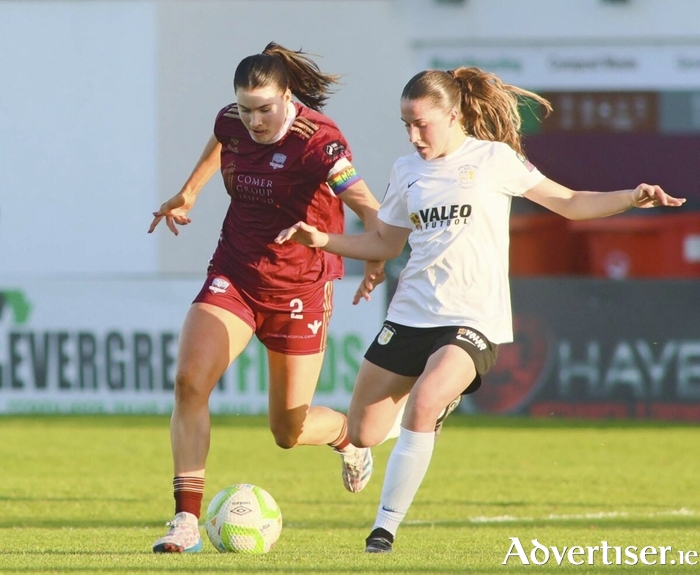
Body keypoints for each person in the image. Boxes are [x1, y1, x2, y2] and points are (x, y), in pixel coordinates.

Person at [275, 66, 686, 553]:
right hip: (410, 314)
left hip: (473, 319)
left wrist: (631, 197)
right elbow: (385, 242)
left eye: (421, 123)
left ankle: (382, 530)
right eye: (404, 124)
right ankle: (406, 419)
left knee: (426, 401)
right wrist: (322, 239)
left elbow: (570, 203)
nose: (412, 135)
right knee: (364, 431)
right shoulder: (406, 170)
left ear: (453, 115)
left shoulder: (494, 159)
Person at [147, 41, 387, 553]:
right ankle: (185, 523)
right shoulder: (232, 121)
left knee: (287, 429)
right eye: (244, 108)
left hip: (300, 289)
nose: (252, 121)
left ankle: (346, 437)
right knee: (190, 382)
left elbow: (369, 208)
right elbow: (220, 140)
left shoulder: (319, 142)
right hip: (234, 272)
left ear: (288, 97)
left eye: (264, 109)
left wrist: (375, 255)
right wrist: (190, 191)